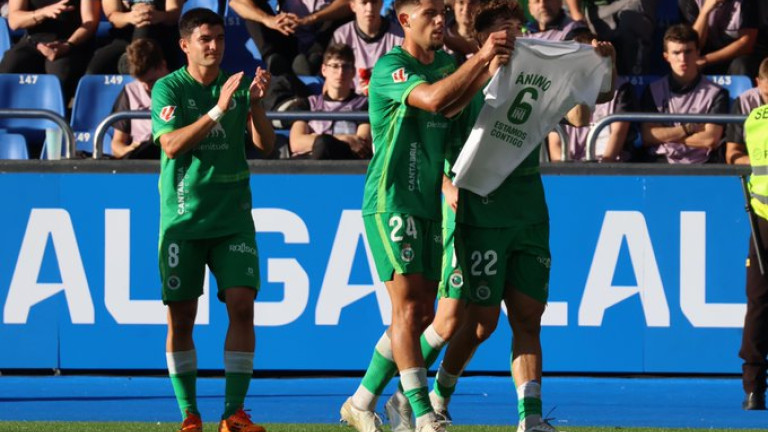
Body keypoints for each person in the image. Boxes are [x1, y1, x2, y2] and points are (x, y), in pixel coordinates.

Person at [339, 0, 514, 430]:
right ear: (404, 21)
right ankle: (421, 414)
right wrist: (481, 57)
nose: (440, 21)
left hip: (429, 203)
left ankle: (361, 402)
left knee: (420, 313)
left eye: (443, 13)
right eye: (430, 14)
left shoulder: (445, 67)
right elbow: (436, 101)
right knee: (410, 309)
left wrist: (484, 68)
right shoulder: (391, 67)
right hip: (392, 197)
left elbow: (456, 115)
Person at [150, 8, 275, 432]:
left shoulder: (236, 87)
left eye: (220, 38)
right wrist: (219, 111)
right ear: (185, 45)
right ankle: (189, 414)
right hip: (184, 222)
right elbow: (170, 145)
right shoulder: (169, 88)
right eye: (205, 38)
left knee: (242, 306)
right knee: (181, 317)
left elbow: (266, 143)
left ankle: (233, 413)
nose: (215, 46)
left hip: (233, 218)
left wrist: (255, 106)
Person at [640, 24, 728, 164]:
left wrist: (666, 134)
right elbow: (648, 136)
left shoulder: (717, 93)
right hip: (661, 163)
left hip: (702, 164)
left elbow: (710, 139)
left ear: (698, 52)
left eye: (688, 51)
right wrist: (689, 129)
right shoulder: (653, 90)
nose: (683, 59)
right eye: (676, 53)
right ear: (666, 56)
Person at [547, 32, 634, 162]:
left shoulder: (619, 89)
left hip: (605, 172)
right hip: (567, 173)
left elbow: (611, 151)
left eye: (588, 57)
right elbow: (556, 151)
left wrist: (610, 64)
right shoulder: (554, 90)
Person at [0, 0, 99, 100]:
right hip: (32, 41)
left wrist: (68, 45)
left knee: (59, 76)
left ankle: (55, 113)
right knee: (10, 65)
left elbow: (90, 22)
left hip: (70, 43)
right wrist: (43, 12)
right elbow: (14, 21)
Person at [289, 43, 371, 159]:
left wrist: (314, 138)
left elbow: (361, 144)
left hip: (346, 165)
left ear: (353, 71)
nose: (340, 72)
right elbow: (296, 143)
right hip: (309, 165)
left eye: (346, 66)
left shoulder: (364, 104)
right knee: (323, 143)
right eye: (335, 66)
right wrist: (344, 138)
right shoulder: (308, 104)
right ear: (324, 70)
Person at [740, 99, 768, 411]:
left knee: (758, 305)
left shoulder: (755, 118)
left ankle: (753, 390)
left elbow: (735, 153)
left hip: (762, 220)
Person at [85, 0, 182, 74]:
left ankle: (134, 63)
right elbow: (113, 16)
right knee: (94, 71)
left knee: (144, 25)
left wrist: (157, 16)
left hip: (161, 37)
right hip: (125, 37)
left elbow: (174, 14)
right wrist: (132, 16)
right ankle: (132, 62)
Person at [111, 38, 168, 159]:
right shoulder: (130, 91)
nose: (147, 87)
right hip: (140, 159)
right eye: (141, 82)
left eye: (151, 80)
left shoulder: (182, 88)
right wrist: (130, 150)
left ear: (163, 65)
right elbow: (117, 144)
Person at [331, 0, 403, 95]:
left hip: (387, 100)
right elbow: (330, 78)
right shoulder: (341, 36)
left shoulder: (400, 37)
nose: (369, 9)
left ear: (381, 4)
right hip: (351, 102)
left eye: (374, 2)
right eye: (364, 3)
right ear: (353, 6)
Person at [564, 0, 657, 74]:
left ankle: (636, 75)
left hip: (630, 3)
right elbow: (575, 13)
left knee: (631, 19)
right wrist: (576, 13)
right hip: (594, 9)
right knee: (577, 34)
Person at [679, 0, 758, 77]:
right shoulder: (690, 2)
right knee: (687, 61)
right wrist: (705, 12)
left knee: (741, 64)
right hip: (704, 53)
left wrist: (707, 60)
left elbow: (746, 44)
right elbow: (695, 45)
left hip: (735, 56)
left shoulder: (747, 3)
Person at [725, 57, 768, 165]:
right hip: (757, 172)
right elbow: (732, 154)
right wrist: (760, 162)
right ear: (758, 82)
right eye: (767, 95)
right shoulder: (744, 102)